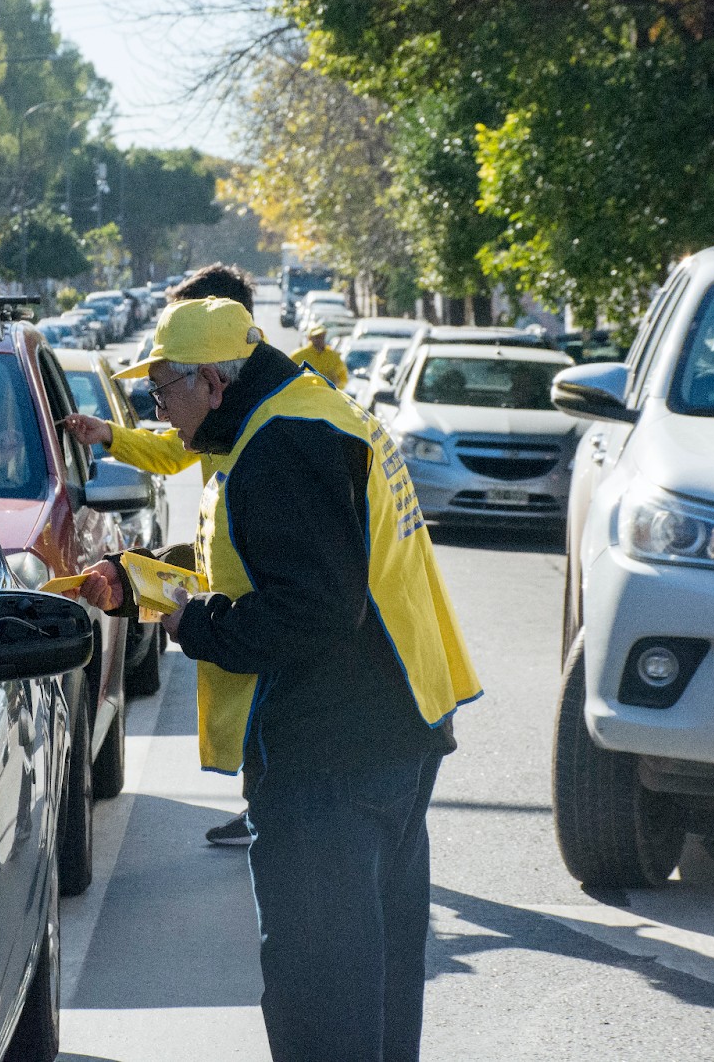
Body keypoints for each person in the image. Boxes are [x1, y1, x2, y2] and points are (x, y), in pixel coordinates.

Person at [79, 297, 481, 1061]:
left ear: (212, 383)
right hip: (389, 729)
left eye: (161, 389)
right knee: (375, 977)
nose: (156, 409)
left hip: (331, 755)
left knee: (321, 992)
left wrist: (196, 627)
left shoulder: (281, 445)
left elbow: (311, 607)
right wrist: (143, 584)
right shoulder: (304, 413)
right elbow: (263, 564)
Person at [60, 262, 259, 845]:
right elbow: (176, 451)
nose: (161, 407)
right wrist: (110, 436)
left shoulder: (270, 423)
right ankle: (266, 807)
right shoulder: (238, 401)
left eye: (167, 383)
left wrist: (172, 600)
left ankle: (272, 811)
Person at [291, 323, 348, 388]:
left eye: (322, 336)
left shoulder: (334, 356)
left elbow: (343, 379)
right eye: (317, 337)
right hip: (307, 392)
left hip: (328, 392)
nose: (320, 339)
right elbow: (290, 378)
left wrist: (337, 383)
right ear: (310, 338)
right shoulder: (298, 355)